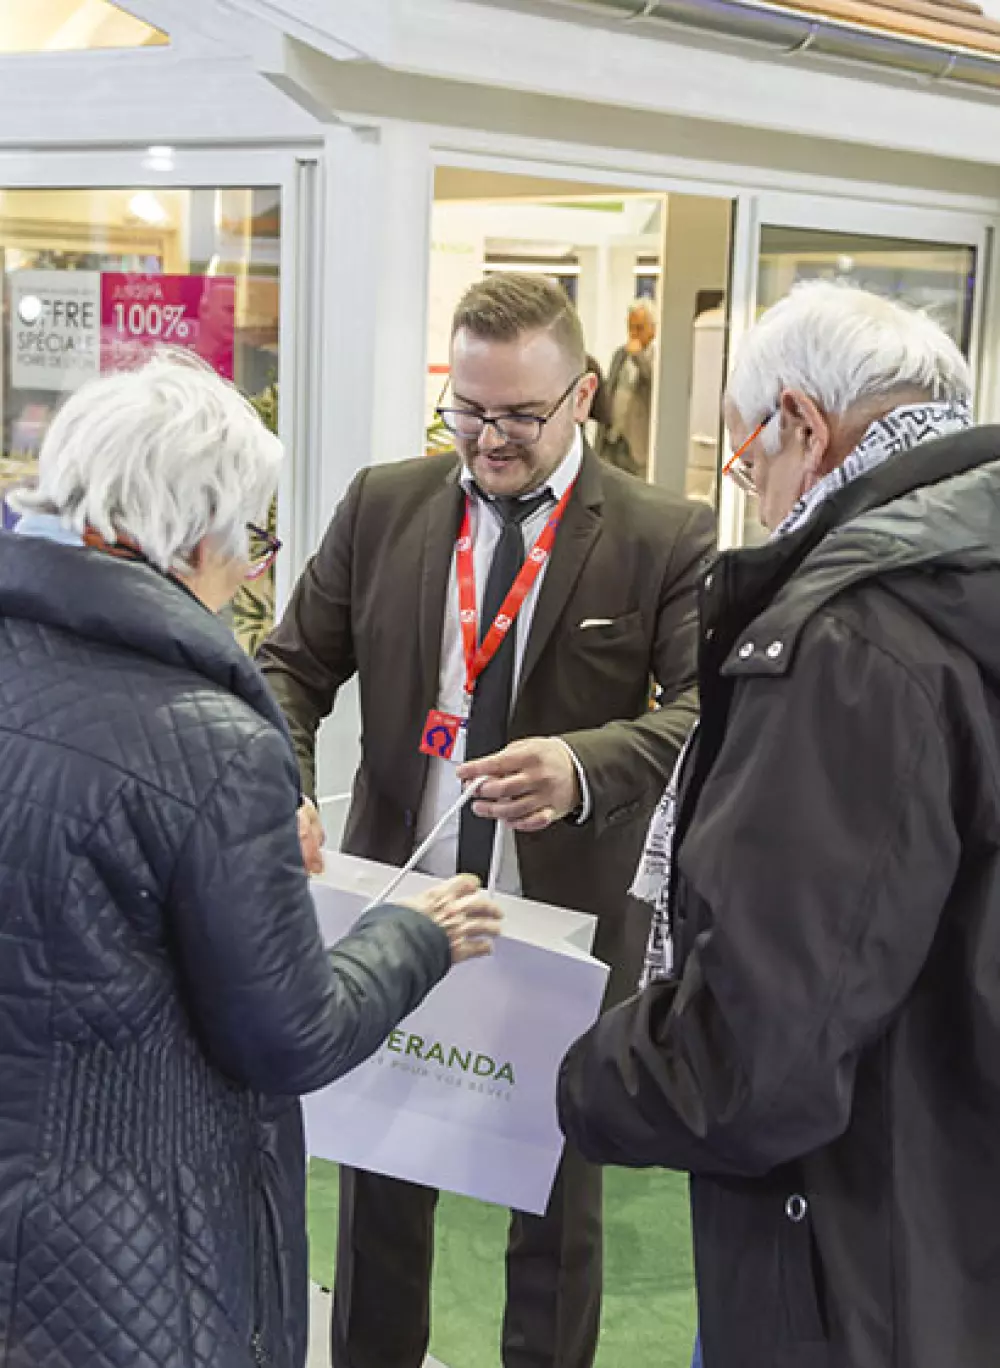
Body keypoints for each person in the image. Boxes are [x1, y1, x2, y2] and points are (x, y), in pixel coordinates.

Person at [0, 352, 501, 1368]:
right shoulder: (210, 742)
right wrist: (415, 936)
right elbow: (289, 1034)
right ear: (196, 536)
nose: (254, 568)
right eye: (255, 539)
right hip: (129, 1248)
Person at [257, 271, 716, 1368]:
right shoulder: (386, 504)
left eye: (517, 415)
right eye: (465, 410)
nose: (487, 439)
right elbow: (291, 666)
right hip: (396, 899)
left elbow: (712, 713)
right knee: (380, 1181)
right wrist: (277, 790)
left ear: (584, 397)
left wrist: (583, 761)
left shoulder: (662, 533)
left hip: (557, 920)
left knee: (555, 1195)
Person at [558, 280, 1000, 1368]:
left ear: (803, 424)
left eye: (747, 453)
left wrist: (576, 1074)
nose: (749, 487)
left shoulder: (853, 639)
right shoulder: (964, 575)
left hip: (854, 1257)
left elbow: (758, 1056)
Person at [596, 298, 657, 478]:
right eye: (630, 328)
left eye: (639, 328)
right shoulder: (620, 355)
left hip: (637, 445)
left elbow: (652, 383)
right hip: (613, 439)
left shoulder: (656, 357)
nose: (633, 334)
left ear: (652, 330)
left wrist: (638, 356)